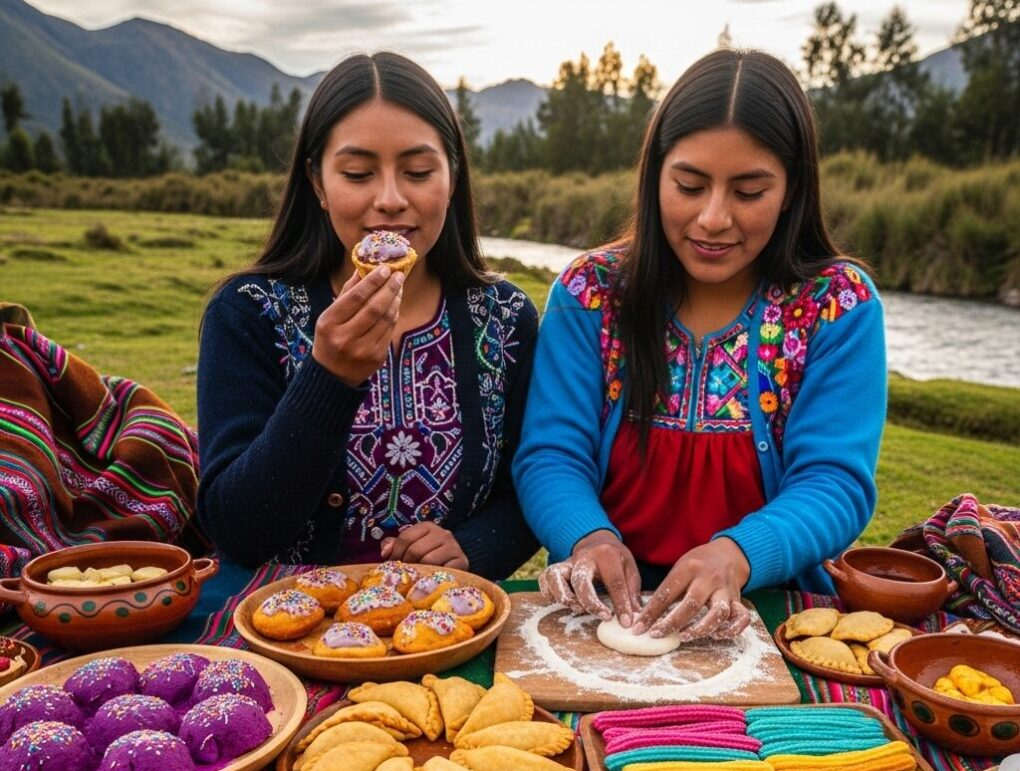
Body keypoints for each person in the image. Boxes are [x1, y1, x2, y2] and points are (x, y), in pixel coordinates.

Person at [513, 48, 886, 642]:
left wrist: (736, 555)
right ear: (655, 175)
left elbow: (835, 482)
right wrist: (589, 536)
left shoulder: (836, 304)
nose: (713, 218)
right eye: (689, 185)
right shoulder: (589, 293)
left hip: (772, 616)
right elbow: (551, 455)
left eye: (749, 191)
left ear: (791, 189)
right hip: (604, 610)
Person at [197, 52, 538, 578]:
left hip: (447, 623)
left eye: (419, 172)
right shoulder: (250, 313)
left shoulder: (505, 318)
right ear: (317, 183)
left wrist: (474, 548)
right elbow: (237, 530)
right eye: (357, 174)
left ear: (452, 176)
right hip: (287, 630)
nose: (390, 200)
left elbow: (531, 484)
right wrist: (329, 376)